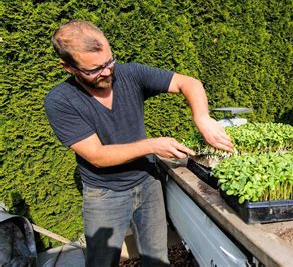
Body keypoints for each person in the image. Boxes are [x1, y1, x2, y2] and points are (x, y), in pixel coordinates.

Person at [44, 20, 234, 266]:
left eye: (109, 62)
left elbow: (188, 83)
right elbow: (96, 155)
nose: (107, 72)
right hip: (104, 194)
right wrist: (151, 145)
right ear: (68, 67)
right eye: (94, 69)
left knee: (157, 258)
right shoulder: (61, 101)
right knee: (101, 262)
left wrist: (202, 118)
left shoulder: (128, 74)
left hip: (147, 183)